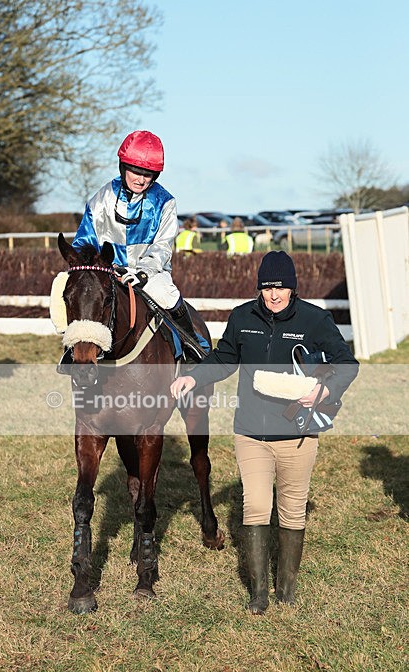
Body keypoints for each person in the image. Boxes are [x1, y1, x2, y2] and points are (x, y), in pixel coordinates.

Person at [170, 250, 359, 614]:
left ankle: (286, 588)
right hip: (251, 432)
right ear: (259, 288)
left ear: (293, 288)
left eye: (281, 287)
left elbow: (347, 364)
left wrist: (325, 390)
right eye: (267, 287)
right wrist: (194, 376)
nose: (273, 294)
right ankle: (258, 594)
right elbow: (225, 358)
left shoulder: (315, 320)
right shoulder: (243, 317)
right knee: (256, 504)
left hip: (298, 434)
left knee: (291, 509)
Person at [71, 130, 206, 360]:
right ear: (123, 166)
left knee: (167, 294)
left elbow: (163, 246)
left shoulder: (165, 202)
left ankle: (193, 345)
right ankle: (71, 350)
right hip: (106, 273)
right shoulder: (100, 199)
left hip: (150, 274)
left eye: (149, 174)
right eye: (136, 171)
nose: (141, 179)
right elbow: (84, 241)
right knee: (66, 292)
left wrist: (143, 272)